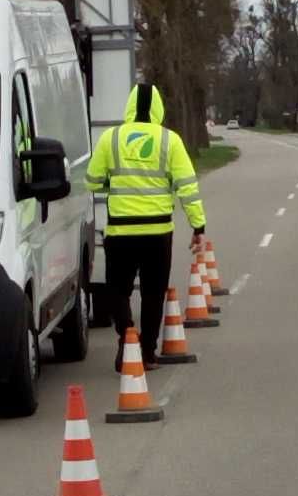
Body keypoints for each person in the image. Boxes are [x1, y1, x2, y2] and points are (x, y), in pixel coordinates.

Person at [82, 81, 207, 371]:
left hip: (121, 233)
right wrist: (198, 225)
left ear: (128, 106)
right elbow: (187, 186)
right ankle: (147, 352)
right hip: (158, 234)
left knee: (118, 291)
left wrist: (111, 182)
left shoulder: (110, 139)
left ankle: (127, 340)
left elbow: (91, 181)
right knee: (153, 293)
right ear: (158, 108)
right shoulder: (170, 141)